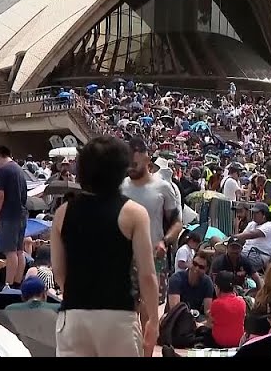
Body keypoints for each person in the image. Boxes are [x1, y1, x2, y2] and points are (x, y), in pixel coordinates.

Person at [51, 135, 159, 357]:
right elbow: (147, 275)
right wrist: (154, 322)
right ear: (121, 170)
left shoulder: (63, 213)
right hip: (117, 315)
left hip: (74, 314)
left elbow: (59, 271)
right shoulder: (135, 213)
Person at [121, 137, 182, 328]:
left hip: (153, 254)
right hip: (125, 255)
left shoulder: (163, 187)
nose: (130, 168)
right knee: (128, 310)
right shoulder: (122, 186)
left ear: (147, 160)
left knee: (149, 310)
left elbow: (177, 223)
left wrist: (165, 241)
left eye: (134, 163)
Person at [0, 146, 28, 289]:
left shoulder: (2, 170)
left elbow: (0, 195)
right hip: (21, 214)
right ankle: (17, 283)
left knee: (10, 252)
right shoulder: (20, 170)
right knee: (20, 251)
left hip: (8, 215)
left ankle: (8, 285)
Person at [234, 202, 271, 273]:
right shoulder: (252, 224)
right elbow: (242, 238)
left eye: (256, 213)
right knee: (223, 253)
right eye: (253, 213)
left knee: (235, 259)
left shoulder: (270, 225)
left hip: (259, 255)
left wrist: (234, 237)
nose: (254, 215)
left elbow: (252, 235)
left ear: (264, 215)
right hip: (245, 251)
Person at [207, 270, 246, 348]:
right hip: (238, 341)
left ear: (218, 287)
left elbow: (210, 323)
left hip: (219, 343)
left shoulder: (216, 303)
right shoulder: (242, 302)